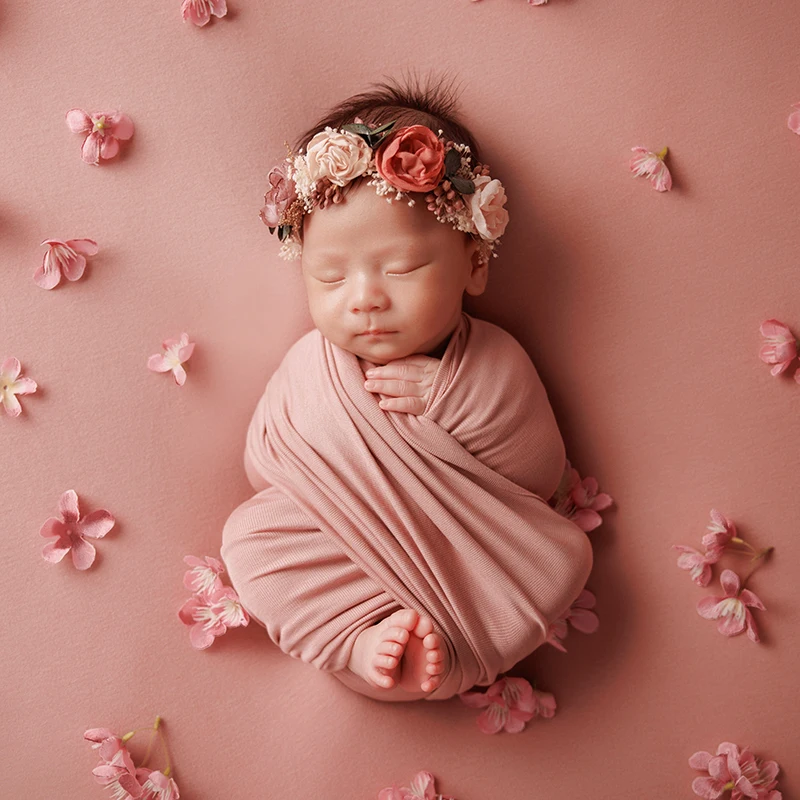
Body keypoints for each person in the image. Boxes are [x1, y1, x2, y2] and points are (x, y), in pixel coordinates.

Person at [220, 71, 593, 703]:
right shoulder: (311, 365)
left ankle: (435, 642)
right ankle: (356, 642)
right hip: (344, 552)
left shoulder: (492, 359)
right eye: (330, 277)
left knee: (562, 561)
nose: (364, 298)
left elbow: (535, 470)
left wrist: (456, 399)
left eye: (401, 267)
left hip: (464, 557)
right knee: (251, 538)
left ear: (474, 264)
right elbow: (266, 461)